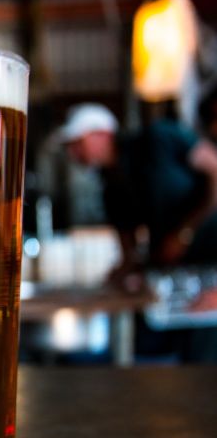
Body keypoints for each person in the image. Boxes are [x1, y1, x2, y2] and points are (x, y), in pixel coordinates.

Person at [62, 101, 217, 362]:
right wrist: (123, 275)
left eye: (77, 141)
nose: (72, 151)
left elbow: (215, 168)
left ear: (102, 134)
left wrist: (185, 232)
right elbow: (129, 257)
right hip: (180, 289)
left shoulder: (159, 137)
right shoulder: (111, 187)